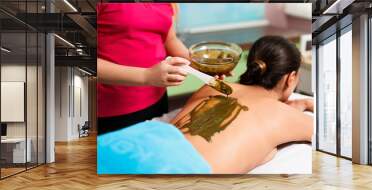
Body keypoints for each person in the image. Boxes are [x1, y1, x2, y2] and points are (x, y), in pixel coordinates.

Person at [98, 36, 314, 174]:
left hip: (129, 143)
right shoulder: (284, 117)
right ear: (291, 77)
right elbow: (329, 135)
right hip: (177, 169)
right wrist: (302, 106)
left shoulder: (212, 87)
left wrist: (296, 106)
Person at [97, 3, 190, 135]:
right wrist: (147, 75)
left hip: (157, 99)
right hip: (110, 110)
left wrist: (202, 65)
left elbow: (170, 39)